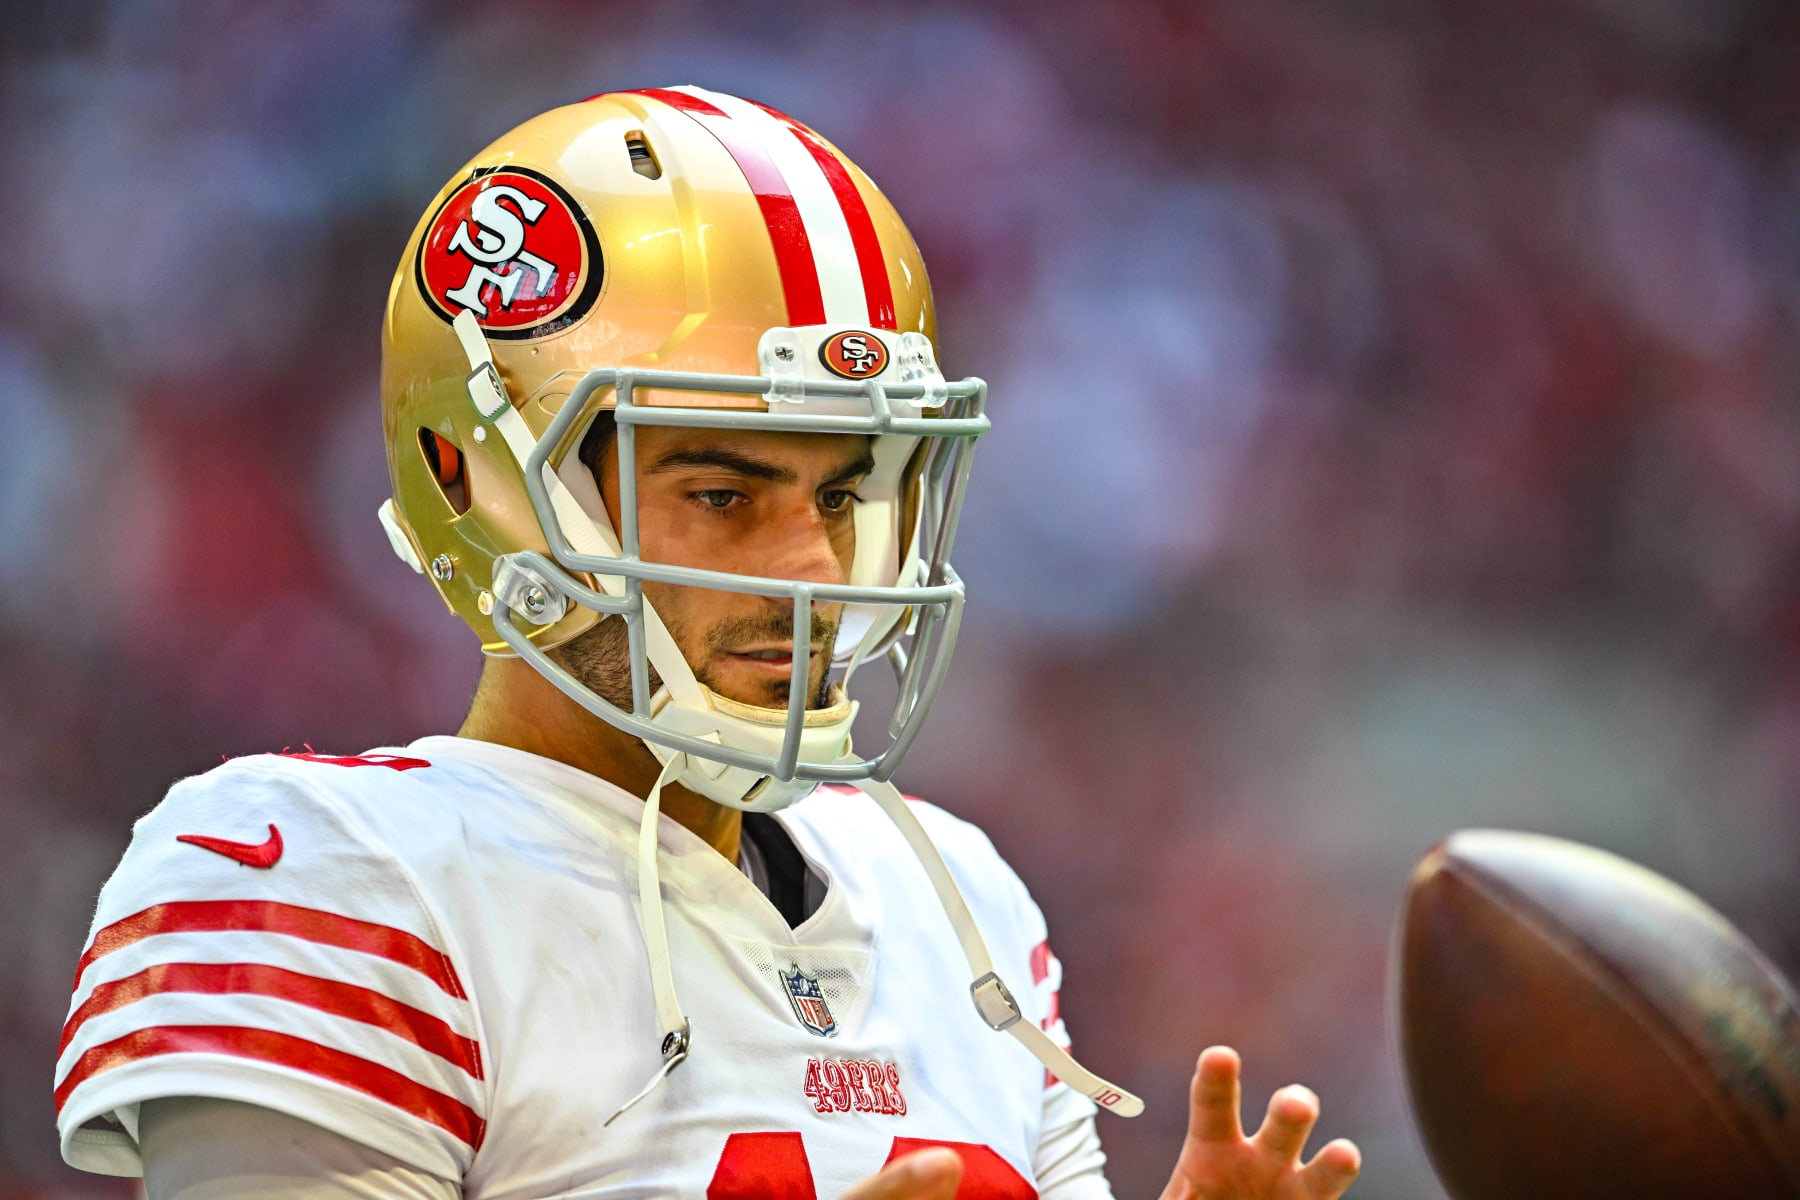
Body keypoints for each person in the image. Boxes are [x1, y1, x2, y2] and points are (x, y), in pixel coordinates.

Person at [53, 87, 1360, 1199]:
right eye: (725, 496)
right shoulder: (330, 880)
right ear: (482, 484)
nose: (812, 570)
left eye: (843, 495)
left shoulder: (953, 902)